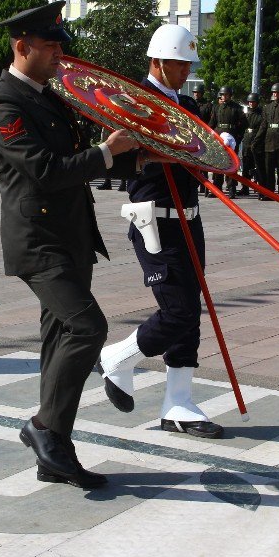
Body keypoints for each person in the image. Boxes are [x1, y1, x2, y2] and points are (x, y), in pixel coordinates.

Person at [0, 1, 138, 489]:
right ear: (21, 45)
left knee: (58, 342)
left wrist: (142, 155)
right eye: (50, 46)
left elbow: (83, 159)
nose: (58, 55)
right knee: (86, 327)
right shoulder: (4, 103)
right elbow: (46, 170)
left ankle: (55, 454)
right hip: (39, 241)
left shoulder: (48, 97)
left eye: (59, 45)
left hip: (70, 236)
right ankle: (44, 429)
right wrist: (106, 154)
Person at [98, 23, 225, 440]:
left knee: (191, 315)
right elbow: (119, 158)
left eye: (188, 63)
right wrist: (167, 152)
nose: (185, 70)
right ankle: (118, 356)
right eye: (178, 63)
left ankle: (179, 403)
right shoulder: (131, 102)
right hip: (154, 217)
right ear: (156, 61)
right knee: (177, 311)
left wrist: (222, 147)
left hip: (189, 215)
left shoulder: (186, 104)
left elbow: (202, 152)